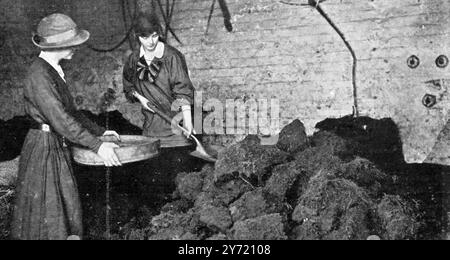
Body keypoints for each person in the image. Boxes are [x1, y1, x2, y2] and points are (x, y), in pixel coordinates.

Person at [11, 13, 122, 240]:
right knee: (48, 210)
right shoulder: (39, 74)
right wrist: (97, 146)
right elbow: (61, 119)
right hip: (43, 148)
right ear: (56, 46)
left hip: (54, 143)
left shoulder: (53, 70)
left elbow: (71, 112)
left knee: (64, 204)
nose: (75, 48)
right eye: (71, 45)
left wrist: (99, 132)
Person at [122, 13, 197, 188]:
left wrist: (188, 121)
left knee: (179, 184)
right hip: (151, 131)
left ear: (159, 33)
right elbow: (128, 86)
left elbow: (183, 91)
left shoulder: (172, 57)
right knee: (156, 184)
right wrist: (139, 98)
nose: (150, 42)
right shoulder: (133, 60)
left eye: (154, 35)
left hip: (175, 129)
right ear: (137, 37)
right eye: (144, 37)